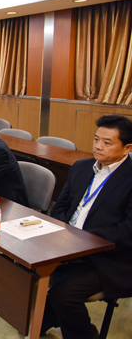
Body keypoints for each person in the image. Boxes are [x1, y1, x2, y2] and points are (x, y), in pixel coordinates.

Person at [41, 115, 132, 339]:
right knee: (24, 267)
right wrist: (65, 235)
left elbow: (127, 232)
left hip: (108, 256)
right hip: (67, 245)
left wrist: (82, 241)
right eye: (96, 139)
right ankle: (39, 322)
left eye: (107, 142)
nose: (98, 146)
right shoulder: (81, 167)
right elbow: (60, 207)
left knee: (63, 294)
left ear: (127, 148)